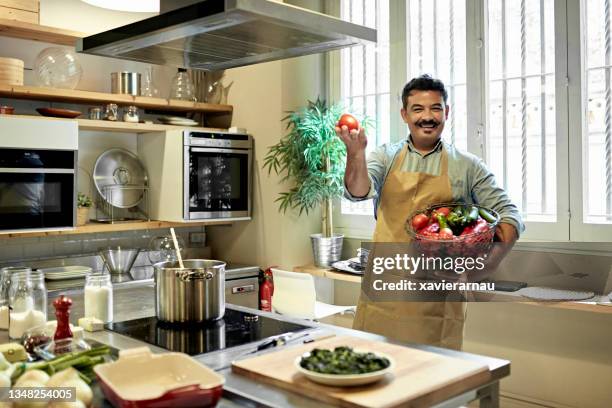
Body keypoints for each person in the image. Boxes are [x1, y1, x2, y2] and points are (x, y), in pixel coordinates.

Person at [336, 74, 523, 350]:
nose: (428, 117)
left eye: (435, 108)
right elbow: (358, 191)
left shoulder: (468, 167)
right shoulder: (384, 157)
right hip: (383, 298)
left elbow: (510, 216)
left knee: (430, 384)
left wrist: (482, 268)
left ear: (446, 112)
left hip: (437, 304)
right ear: (404, 114)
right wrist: (355, 154)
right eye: (418, 109)